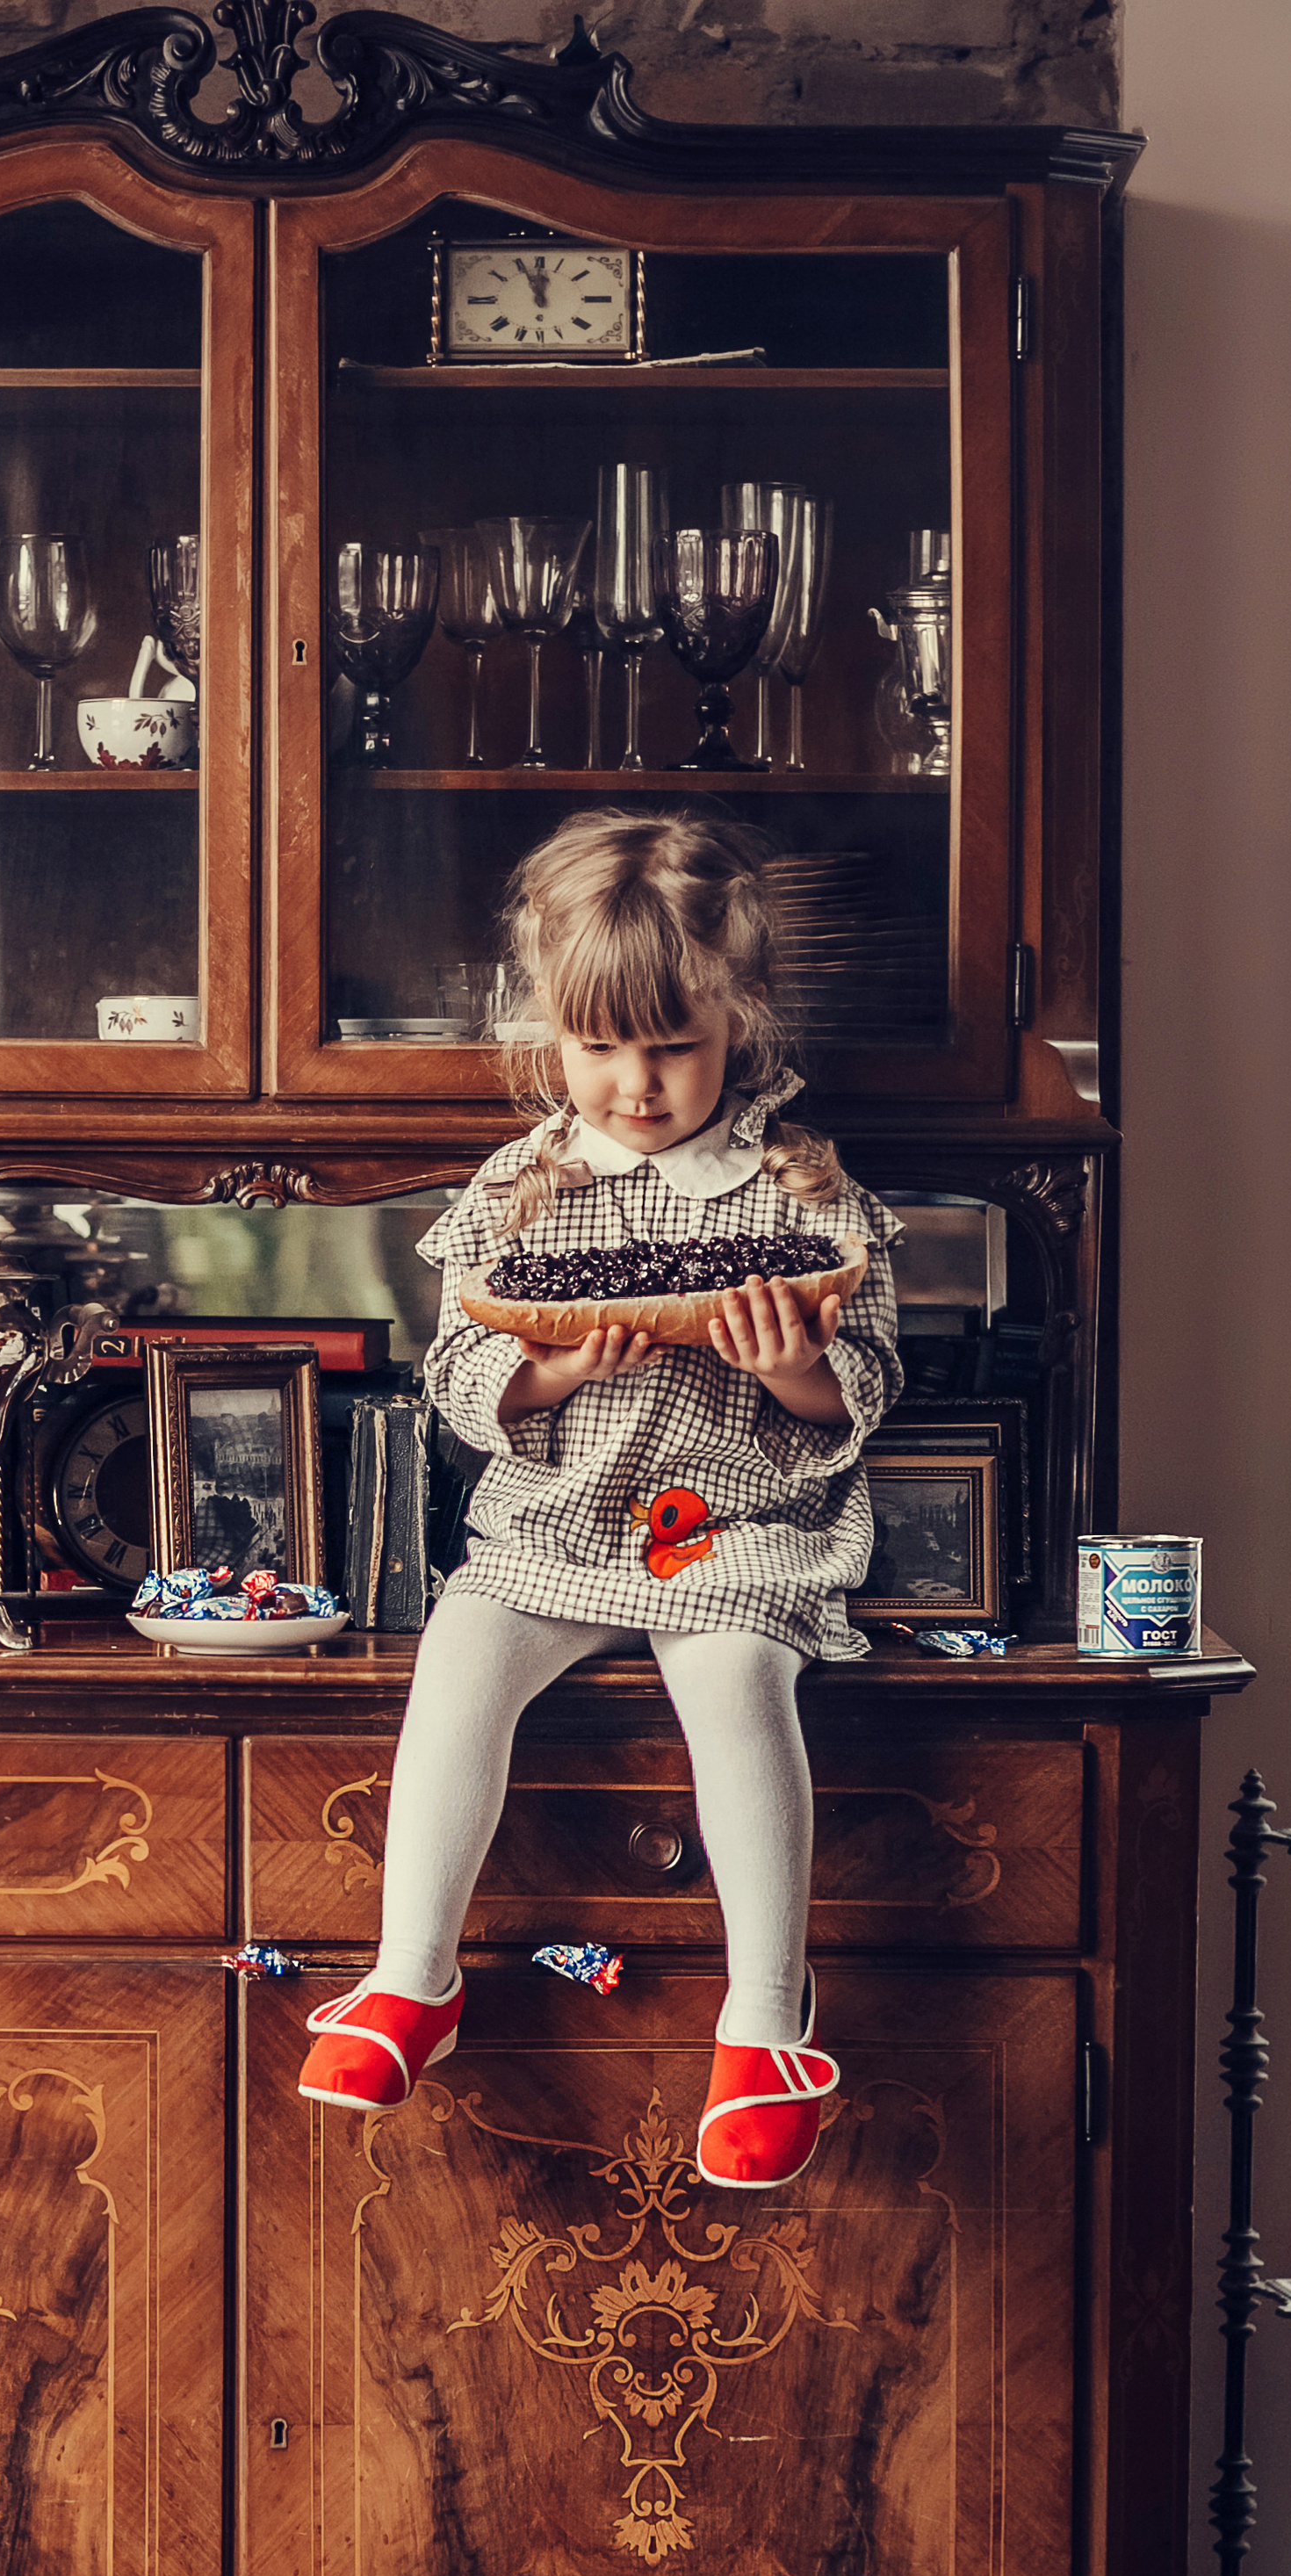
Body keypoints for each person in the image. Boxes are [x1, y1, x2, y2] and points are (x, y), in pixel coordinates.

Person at [297, 808, 903, 2189]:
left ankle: (767, 2024)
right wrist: (547, 1370)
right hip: (558, 1524)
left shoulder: (799, 1189)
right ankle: (412, 1977)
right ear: (545, 1035)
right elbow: (457, 1371)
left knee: (739, 1679)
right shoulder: (518, 1192)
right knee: (458, 1665)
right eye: (600, 1047)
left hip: (733, 1526)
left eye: (673, 1046)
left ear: (739, 1025)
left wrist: (799, 1364)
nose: (636, 1083)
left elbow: (870, 1382)